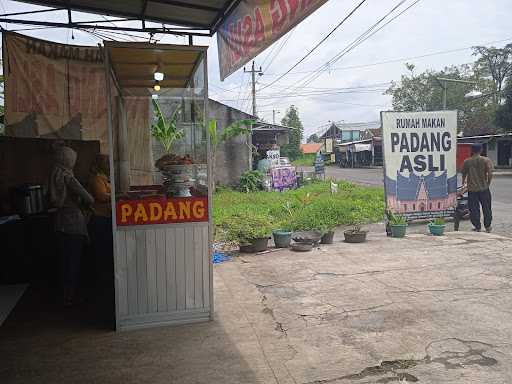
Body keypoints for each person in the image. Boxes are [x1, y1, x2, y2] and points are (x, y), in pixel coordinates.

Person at [48, 146, 94, 306]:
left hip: (60, 222)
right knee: (73, 262)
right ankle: (70, 297)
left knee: (64, 261)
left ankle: (64, 295)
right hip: (73, 223)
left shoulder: (54, 174)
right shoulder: (69, 177)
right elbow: (89, 198)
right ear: (70, 160)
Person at [87, 154, 114, 290]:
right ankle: (101, 284)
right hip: (99, 219)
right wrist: (116, 195)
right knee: (102, 251)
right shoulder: (96, 179)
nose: (110, 165)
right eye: (107, 163)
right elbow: (101, 196)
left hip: (106, 218)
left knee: (106, 251)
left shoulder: (104, 178)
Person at [461, 143, 493, 233]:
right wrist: (488, 183)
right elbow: (490, 173)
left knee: (474, 209)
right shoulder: (486, 160)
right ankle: (488, 226)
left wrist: (463, 184)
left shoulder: (467, 161)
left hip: (472, 190)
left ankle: (477, 227)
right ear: (481, 150)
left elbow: (463, 174)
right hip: (484, 189)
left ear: (471, 151)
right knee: (487, 208)